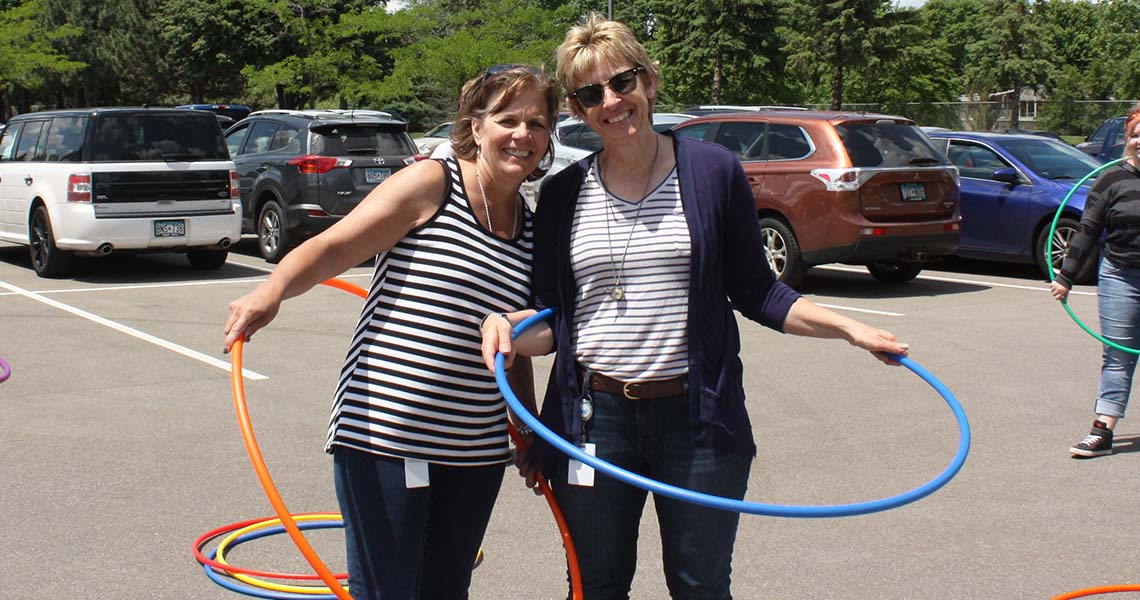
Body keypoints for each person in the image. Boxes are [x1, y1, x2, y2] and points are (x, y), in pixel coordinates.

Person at [480, 13, 910, 600]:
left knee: (701, 585)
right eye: (589, 94)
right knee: (595, 585)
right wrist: (504, 327)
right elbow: (553, 321)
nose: (611, 101)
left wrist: (851, 328)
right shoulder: (562, 192)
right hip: (592, 419)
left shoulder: (712, 171)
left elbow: (760, 292)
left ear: (649, 82)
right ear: (578, 111)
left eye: (622, 82)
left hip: (696, 419)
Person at [224, 65, 557, 600]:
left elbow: (513, 347)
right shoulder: (433, 183)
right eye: (507, 119)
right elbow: (335, 246)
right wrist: (273, 289)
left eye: (537, 123)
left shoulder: (532, 225)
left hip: (475, 449)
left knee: (446, 591)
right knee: (388, 592)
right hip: (387, 434)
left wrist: (529, 428)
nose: (523, 135)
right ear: (476, 126)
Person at [1051, 106, 1140, 459]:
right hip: (1121, 276)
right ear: (1128, 140)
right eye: (1136, 133)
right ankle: (1102, 431)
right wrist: (1065, 277)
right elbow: (1087, 231)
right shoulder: (1110, 180)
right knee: (1118, 355)